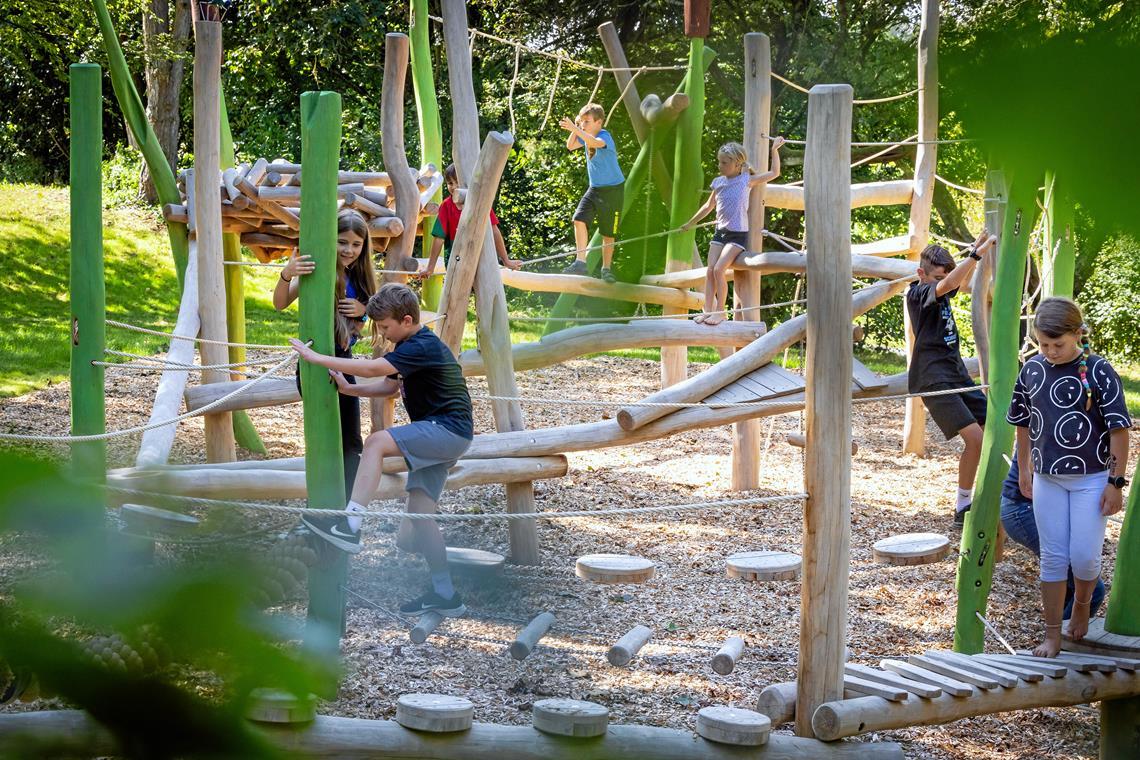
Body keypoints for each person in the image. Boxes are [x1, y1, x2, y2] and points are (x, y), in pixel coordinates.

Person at [290, 283, 474, 618]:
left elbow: (377, 368)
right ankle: (446, 593)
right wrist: (350, 389)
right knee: (421, 515)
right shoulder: (410, 345)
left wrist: (316, 358)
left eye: (386, 327)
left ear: (406, 320)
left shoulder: (421, 345)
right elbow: (389, 385)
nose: (384, 335)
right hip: (446, 434)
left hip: (445, 430)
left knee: (376, 441)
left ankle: (351, 526)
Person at [1006, 297, 1131, 657]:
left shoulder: (1099, 370)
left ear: (1077, 334)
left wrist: (1115, 482)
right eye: (1043, 344)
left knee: (1085, 556)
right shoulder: (1032, 370)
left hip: (1091, 479)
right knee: (1054, 557)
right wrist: (1026, 467)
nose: (1050, 351)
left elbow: (1119, 430)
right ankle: (1052, 634)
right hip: (1048, 479)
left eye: (1057, 344)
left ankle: (1082, 604)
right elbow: (1023, 424)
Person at [274, 208, 377, 497]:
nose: (349, 250)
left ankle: (347, 507)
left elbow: (382, 317)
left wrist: (365, 310)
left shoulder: (360, 277)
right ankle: (328, 505)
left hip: (344, 363)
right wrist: (286, 274)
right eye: (342, 242)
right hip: (314, 364)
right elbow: (280, 303)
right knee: (325, 439)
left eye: (356, 244)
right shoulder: (318, 270)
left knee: (351, 441)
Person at [906, 229, 998, 525]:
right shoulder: (917, 292)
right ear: (921, 273)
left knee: (997, 428)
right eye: (934, 277)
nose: (940, 282)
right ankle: (962, 505)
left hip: (956, 374)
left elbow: (956, 280)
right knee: (975, 439)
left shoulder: (940, 284)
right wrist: (975, 254)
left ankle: (998, 492)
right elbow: (947, 283)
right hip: (933, 378)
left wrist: (976, 248)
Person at [680, 138, 785, 326]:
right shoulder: (718, 182)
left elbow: (774, 173)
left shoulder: (745, 180)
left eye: (724, 163)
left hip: (737, 235)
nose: (720, 166)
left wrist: (774, 149)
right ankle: (708, 310)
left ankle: (721, 312)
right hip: (720, 232)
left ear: (737, 164)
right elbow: (708, 206)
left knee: (720, 269)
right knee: (710, 270)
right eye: (719, 162)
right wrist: (690, 223)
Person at [1000, 453, 1106, 620]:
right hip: (1022, 509)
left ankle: (1060, 632)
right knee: (1093, 589)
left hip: (1038, 505)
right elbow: (1033, 464)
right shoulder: (1047, 433)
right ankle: (1062, 638)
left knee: (1074, 582)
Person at [558, 103, 624, 282]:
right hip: (595, 189)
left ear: (599, 122)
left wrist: (575, 127)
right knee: (578, 219)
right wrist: (576, 128)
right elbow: (570, 146)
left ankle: (606, 269)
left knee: (608, 233)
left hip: (613, 191)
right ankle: (580, 262)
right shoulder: (584, 134)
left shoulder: (604, 137)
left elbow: (594, 143)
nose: (583, 124)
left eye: (587, 121)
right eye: (582, 121)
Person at [417, 164, 519, 278]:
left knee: (486, 288)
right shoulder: (446, 206)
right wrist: (430, 268)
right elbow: (438, 239)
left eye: (457, 182)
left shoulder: (480, 202)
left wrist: (505, 260)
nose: (454, 187)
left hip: (481, 257)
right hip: (456, 259)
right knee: (456, 294)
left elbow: (494, 231)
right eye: (450, 183)